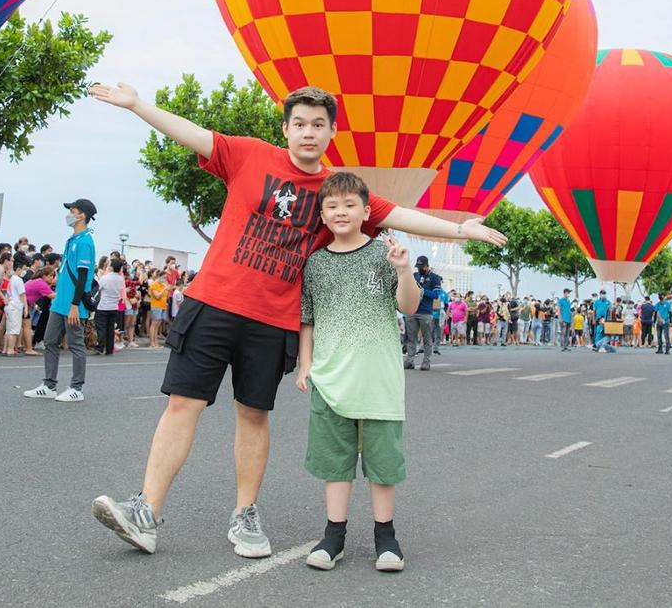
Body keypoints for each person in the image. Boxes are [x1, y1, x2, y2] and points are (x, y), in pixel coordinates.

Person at [87, 82, 504, 557]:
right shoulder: (248, 155)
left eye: (318, 125)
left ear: (330, 133)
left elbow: (400, 213)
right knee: (183, 404)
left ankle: (245, 517)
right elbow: (195, 136)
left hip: (273, 319)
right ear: (286, 128)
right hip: (214, 303)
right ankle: (145, 512)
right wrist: (139, 105)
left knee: (253, 413)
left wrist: (458, 229)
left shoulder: (335, 191)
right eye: (300, 124)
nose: (308, 133)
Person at [296, 173, 420, 572]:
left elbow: (409, 307)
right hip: (330, 381)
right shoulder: (314, 263)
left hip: (378, 382)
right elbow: (308, 319)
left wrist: (403, 271)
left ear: (367, 211)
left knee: (382, 466)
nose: (341, 212)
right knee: (335, 464)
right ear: (322, 214)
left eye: (350, 205)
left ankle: (387, 538)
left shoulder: (384, 253)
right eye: (332, 206)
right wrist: (305, 364)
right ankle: (334, 537)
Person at [23, 199, 97, 402]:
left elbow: (83, 276)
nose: (69, 214)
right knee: (50, 341)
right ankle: (49, 385)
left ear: (82, 215)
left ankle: (76, 388)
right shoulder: (71, 240)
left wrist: (75, 305)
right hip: (59, 303)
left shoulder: (85, 242)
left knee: (76, 345)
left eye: (73, 211)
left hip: (73, 304)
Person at [404, 256, 440, 371]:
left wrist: (423, 291)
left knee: (427, 338)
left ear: (426, 265)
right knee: (411, 338)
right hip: (412, 310)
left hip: (425, 312)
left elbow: (436, 295)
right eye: (418, 266)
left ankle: (426, 361)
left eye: (421, 267)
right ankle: (409, 360)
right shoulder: (415, 276)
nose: (419, 269)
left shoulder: (435, 278)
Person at [95, 256, 126, 356]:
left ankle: (100, 347)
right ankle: (109, 348)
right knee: (110, 328)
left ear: (111, 267)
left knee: (101, 327)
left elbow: (98, 288)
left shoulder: (105, 278)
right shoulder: (120, 279)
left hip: (103, 306)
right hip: (114, 306)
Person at [1, 258, 27, 356]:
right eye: (23, 269)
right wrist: (26, 307)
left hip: (9, 305)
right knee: (14, 329)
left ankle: (5, 348)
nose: (24, 271)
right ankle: (10, 349)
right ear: (18, 269)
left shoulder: (11, 279)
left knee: (8, 329)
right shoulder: (19, 280)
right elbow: (22, 295)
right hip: (15, 305)